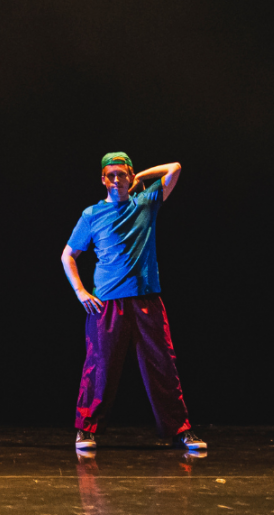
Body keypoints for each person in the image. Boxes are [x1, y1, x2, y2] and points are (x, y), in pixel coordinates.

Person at [61, 152, 204, 451]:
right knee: (99, 366)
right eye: (110, 175)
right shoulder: (91, 215)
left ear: (130, 176)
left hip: (146, 299)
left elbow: (176, 168)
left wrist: (141, 176)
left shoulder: (145, 203)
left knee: (162, 365)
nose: (116, 180)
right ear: (102, 179)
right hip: (107, 303)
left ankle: (180, 430)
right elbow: (68, 256)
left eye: (122, 174)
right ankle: (86, 430)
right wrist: (80, 292)